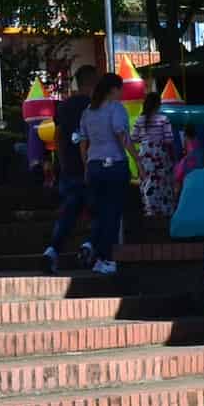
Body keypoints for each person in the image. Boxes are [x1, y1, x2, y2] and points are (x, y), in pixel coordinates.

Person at [70, 69, 133, 276]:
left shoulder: (88, 111)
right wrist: (137, 159)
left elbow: (82, 142)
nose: (121, 94)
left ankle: (91, 246)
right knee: (113, 213)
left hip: (95, 164)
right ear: (113, 90)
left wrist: (87, 164)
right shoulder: (116, 109)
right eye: (120, 90)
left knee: (99, 212)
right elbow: (121, 135)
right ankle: (106, 258)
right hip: (114, 164)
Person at [41, 64, 98, 272]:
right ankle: (90, 245)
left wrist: (61, 162)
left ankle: (53, 250)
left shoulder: (64, 106)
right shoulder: (94, 106)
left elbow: (57, 135)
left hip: (69, 168)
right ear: (93, 82)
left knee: (68, 212)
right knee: (101, 210)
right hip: (91, 166)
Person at [134, 91, 178, 220]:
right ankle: (165, 212)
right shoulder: (163, 119)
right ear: (158, 105)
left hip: (145, 155)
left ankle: (150, 211)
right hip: (160, 154)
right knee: (163, 183)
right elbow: (169, 139)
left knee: (147, 182)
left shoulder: (140, 119)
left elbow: (133, 138)